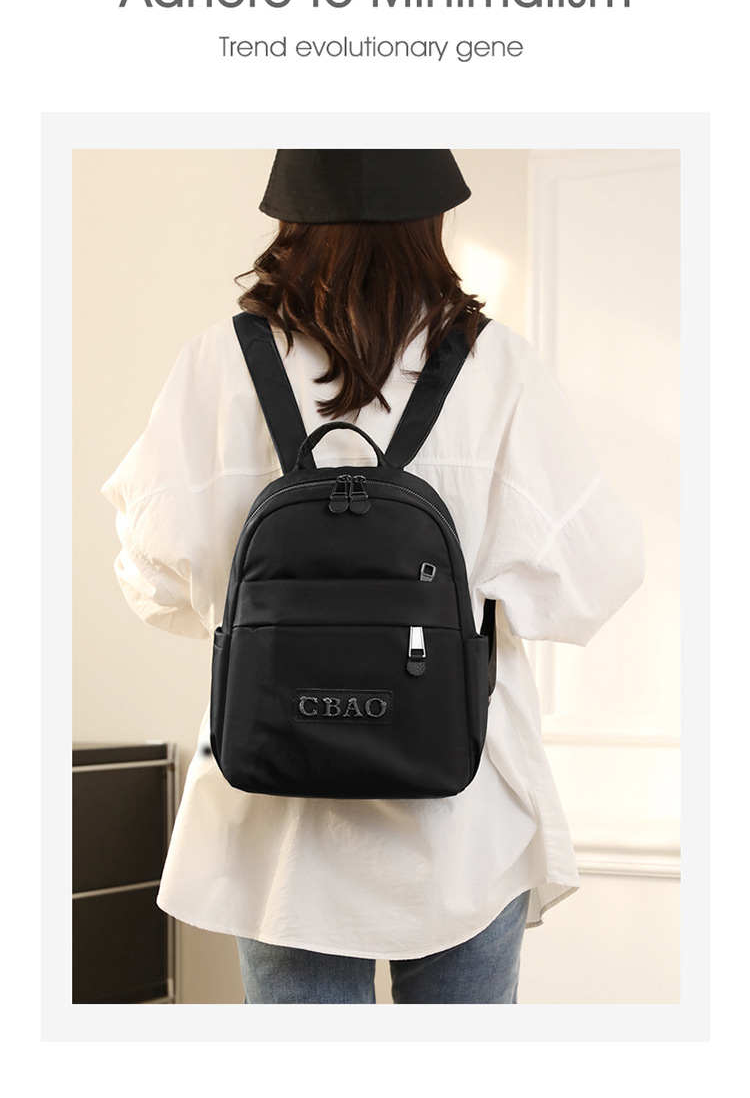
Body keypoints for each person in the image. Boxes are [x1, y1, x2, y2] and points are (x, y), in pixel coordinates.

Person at [102, 149, 644, 1004]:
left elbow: (154, 580)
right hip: (461, 831)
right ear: (431, 219)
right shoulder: (498, 368)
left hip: (279, 835)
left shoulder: (216, 364)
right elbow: (598, 573)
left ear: (293, 218)